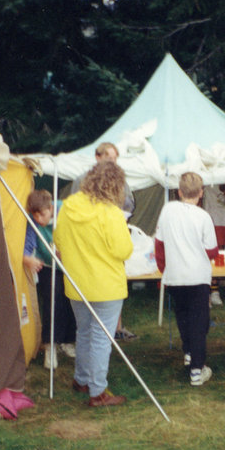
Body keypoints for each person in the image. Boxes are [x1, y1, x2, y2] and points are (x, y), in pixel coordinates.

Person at [53, 161, 134, 407]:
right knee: (100, 338)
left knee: (84, 332)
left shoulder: (68, 206)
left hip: (77, 283)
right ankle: (97, 391)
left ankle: (82, 380)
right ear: (116, 186)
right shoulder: (111, 213)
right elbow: (123, 250)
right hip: (106, 286)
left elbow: (58, 240)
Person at [154, 172, 219, 387]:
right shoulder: (204, 217)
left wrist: (164, 268)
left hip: (175, 276)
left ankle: (189, 353)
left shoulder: (167, 210)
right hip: (197, 276)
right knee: (199, 323)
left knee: (183, 317)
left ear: (179, 192)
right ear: (201, 193)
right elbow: (212, 250)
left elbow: (159, 244)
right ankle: (197, 370)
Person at [24, 189, 76, 369]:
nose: (39, 219)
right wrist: (28, 259)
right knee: (52, 303)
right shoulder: (33, 220)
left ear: (51, 208)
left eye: (42, 215)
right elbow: (28, 245)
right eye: (35, 215)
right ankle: (50, 345)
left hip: (71, 264)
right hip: (47, 265)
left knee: (72, 301)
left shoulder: (67, 211)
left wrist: (67, 251)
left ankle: (68, 340)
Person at [92, 142, 137, 340]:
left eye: (115, 158)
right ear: (98, 157)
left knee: (117, 279)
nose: (113, 161)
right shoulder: (85, 179)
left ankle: (117, 327)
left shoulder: (120, 179)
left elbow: (130, 203)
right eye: (109, 157)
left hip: (116, 234)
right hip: (94, 239)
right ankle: (100, 329)